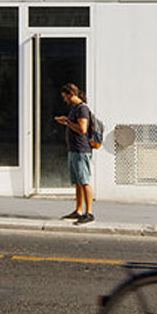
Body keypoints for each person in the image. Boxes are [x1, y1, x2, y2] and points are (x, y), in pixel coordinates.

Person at [54, 81, 94, 223]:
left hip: (81, 150)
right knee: (78, 182)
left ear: (71, 94)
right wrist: (66, 121)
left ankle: (89, 213)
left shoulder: (82, 109)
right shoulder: (74, 108)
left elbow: (82, 129)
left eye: (65, 96)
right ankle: (78, 210)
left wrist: (67, 122)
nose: (64, 99)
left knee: (84, 181)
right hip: (74, 149)